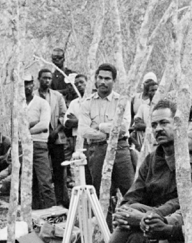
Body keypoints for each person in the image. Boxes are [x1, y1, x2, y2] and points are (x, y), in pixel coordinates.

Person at [54, 99, 180, 243]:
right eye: (155, 125)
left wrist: (145, 213)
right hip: (147, 226)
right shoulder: (152, 159)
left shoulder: (190, 157)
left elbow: (184, 202)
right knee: (134, 236)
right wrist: (128, 213)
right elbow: (132, 195)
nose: (159, 129)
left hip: (175, 226)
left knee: (135, 228)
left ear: (178, 124)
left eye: (165, 122)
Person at [75, 63, 135, 202]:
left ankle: (132, 221)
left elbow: (124, 127)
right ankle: (105, 223)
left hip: (120, 149)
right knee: (101, 192)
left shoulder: (122, 101)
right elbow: (83, 130)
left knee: (130, 190)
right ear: (95, 79)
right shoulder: (87, 103)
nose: (103, 82)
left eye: (107, 78)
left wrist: (100, 126)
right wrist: (106, 134)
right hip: (97, 150)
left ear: (114, 81)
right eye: (100, 78)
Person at [36, 68, 69, 207]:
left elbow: (64, 116)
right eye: (44, 78)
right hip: (39, 137)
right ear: (39, 79)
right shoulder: (33, 95)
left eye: (49, 78)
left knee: (59, 171)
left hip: (56, 138)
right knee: (40, 171)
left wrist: (56, 131)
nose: (47, 81)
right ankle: (39, 202)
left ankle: (60, 201)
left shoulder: (57, 96)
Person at [23, 73, 55, 210]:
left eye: (29, 83)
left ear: (33, 84)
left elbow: (43, 125)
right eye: (24, 84)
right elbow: (16, 126)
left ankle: (52, 214)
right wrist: (31, 125)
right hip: (24, 146)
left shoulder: (42, 103)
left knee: (45, 182)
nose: (27, 87)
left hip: (39, 144)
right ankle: (33, 213)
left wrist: (26, 131)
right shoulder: (18, 105)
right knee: (29, 183)